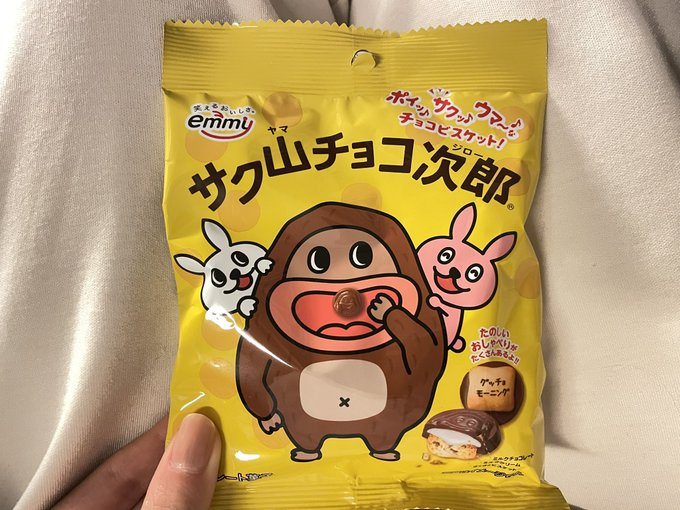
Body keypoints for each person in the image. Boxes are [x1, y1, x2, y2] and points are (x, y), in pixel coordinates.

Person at [1, 1, 678, 509]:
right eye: (319, 266)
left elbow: (427, 355)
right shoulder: (272, 323)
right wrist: (264, 406)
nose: (346, 293)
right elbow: (252, 362)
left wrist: (400, 322)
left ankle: (380, 439)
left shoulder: (406, 315)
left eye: (366, 260)